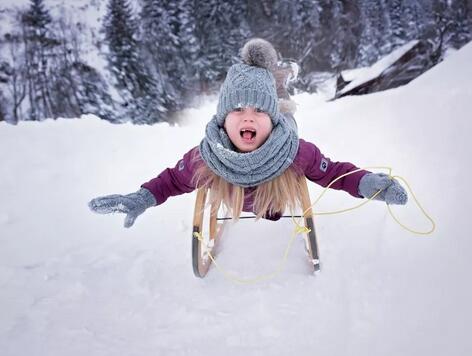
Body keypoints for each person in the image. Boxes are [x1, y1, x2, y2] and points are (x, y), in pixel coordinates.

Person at [88, 38, 408, 228]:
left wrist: (369, 184)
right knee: (268, 99)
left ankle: (277, 85)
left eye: (257, 113)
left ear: (269, 119)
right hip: (260, 135)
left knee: (282, 105)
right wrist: (141, 198)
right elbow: (172, 180)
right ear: (223, 119)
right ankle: (272, 81)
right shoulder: (207, 156)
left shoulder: (295, 152)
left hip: (278, 143)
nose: (248, 119)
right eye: (238, 111)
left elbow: (334, 173)